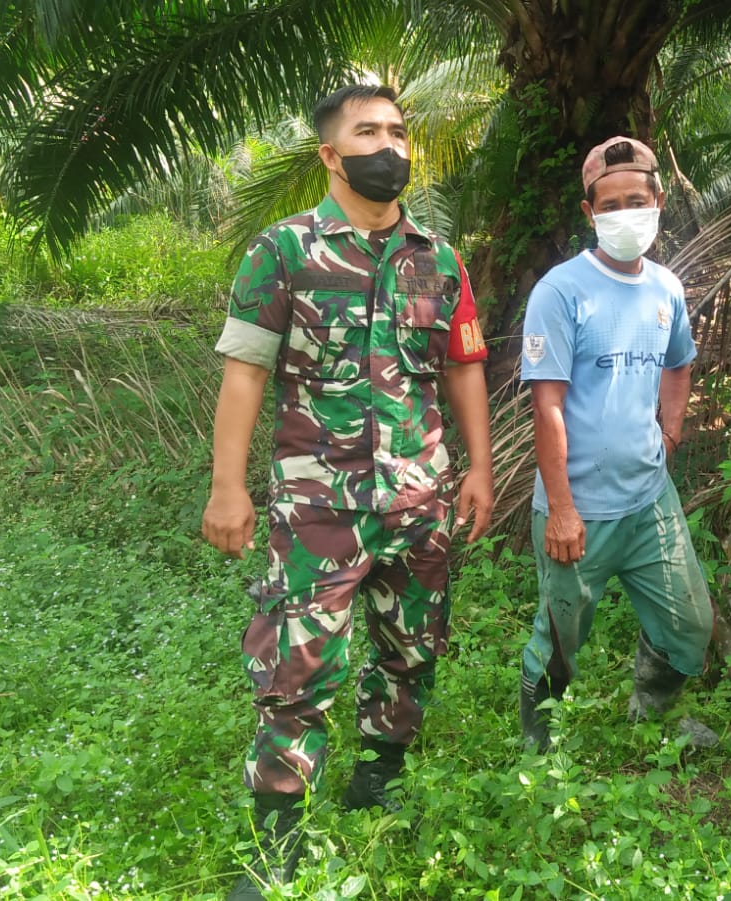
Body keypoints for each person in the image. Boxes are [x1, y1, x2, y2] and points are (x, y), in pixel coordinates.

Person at [202, 84, 494, 899]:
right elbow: (245, 372)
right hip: (317, 507)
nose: (389, 145)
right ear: (330, 154)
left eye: (398, 131)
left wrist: (480, 466)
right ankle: (278, 841)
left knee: (412, 649)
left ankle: (380, 773)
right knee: (297, 669)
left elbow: (464, 367)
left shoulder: (439, 258)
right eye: (368, 131)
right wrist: (229, 486)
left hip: (420, 499)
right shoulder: (282, 252)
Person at [516, 135, 715, 754]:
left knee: (690, 623)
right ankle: (538, 748)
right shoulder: (561, 291)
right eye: (610, 203)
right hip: (580, 512)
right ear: (589, 213)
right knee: (560, 636)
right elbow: (546, 406)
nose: (625, 212)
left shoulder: (666, 288)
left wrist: (671, 428)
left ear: (659, 200)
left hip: (649, 501)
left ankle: (653, 712)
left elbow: (678, 364)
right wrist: (563, 509)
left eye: (637, 198)